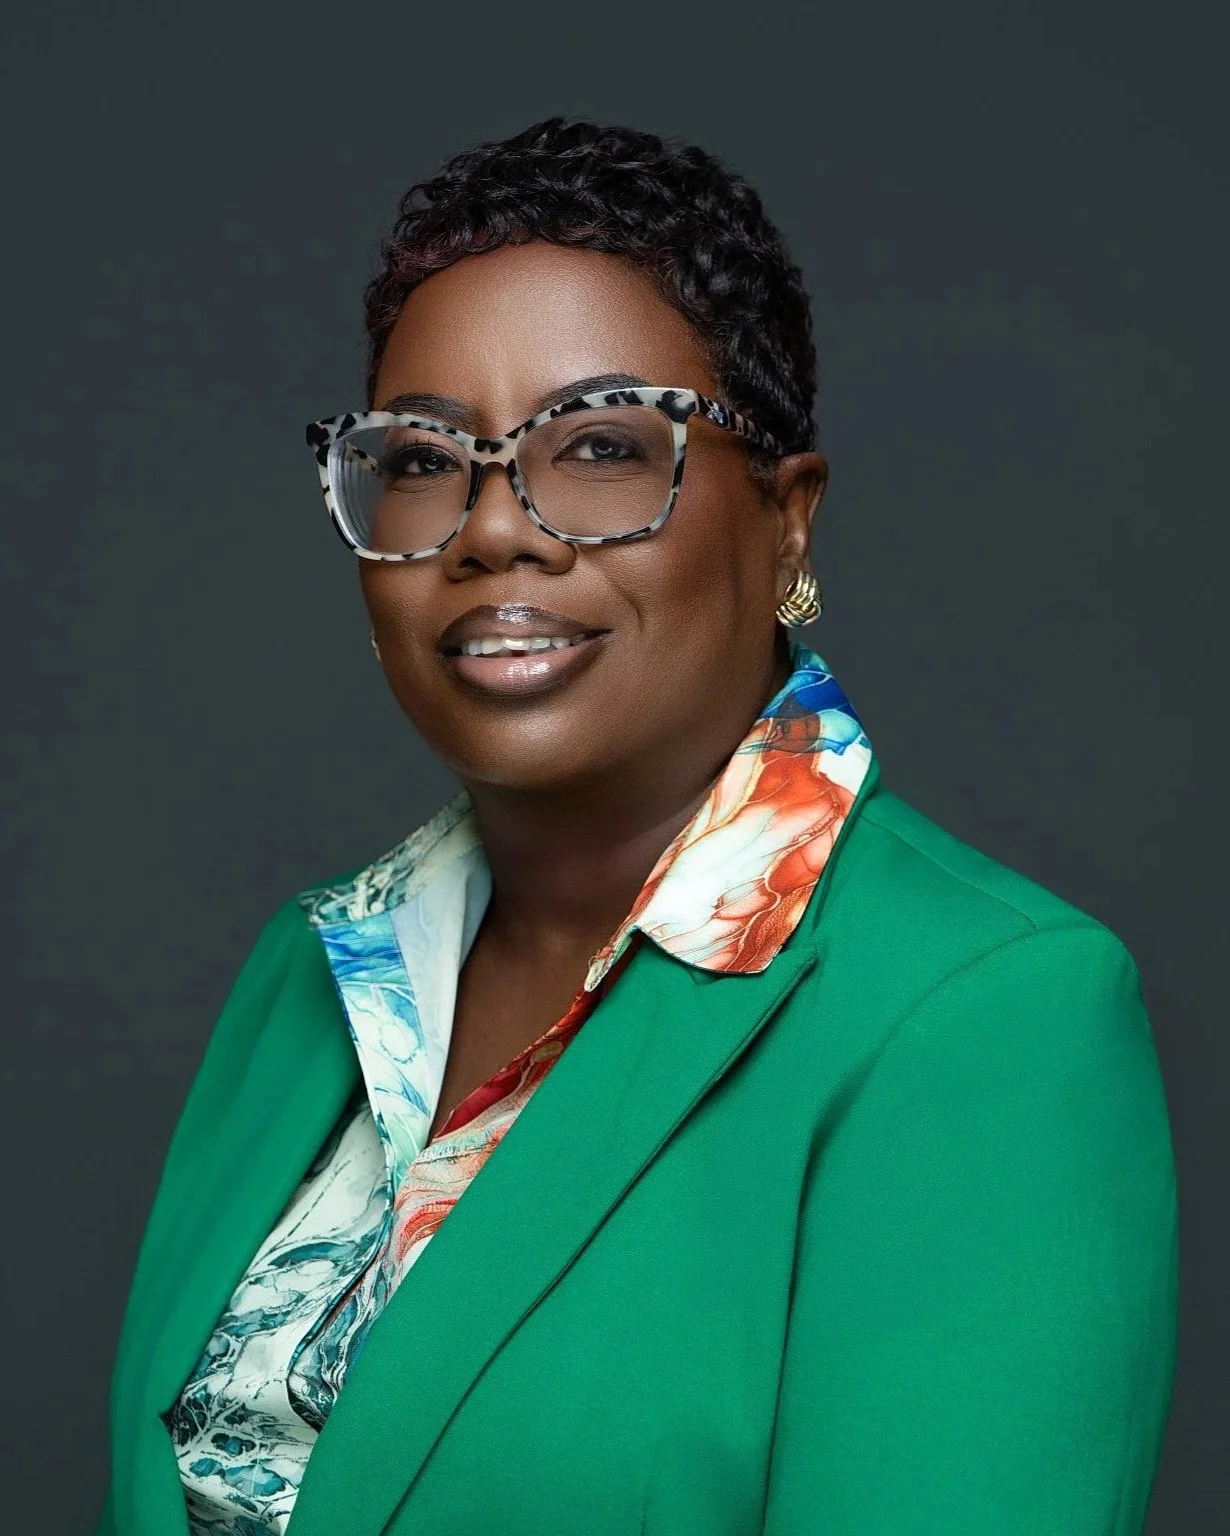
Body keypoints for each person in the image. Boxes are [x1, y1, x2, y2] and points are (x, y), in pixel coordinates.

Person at [92, 119, 1178, 1536]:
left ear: (786, 523)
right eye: (421, 460)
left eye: (601, 446)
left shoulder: (985, 1015)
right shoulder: (309, 970)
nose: (491, 530)